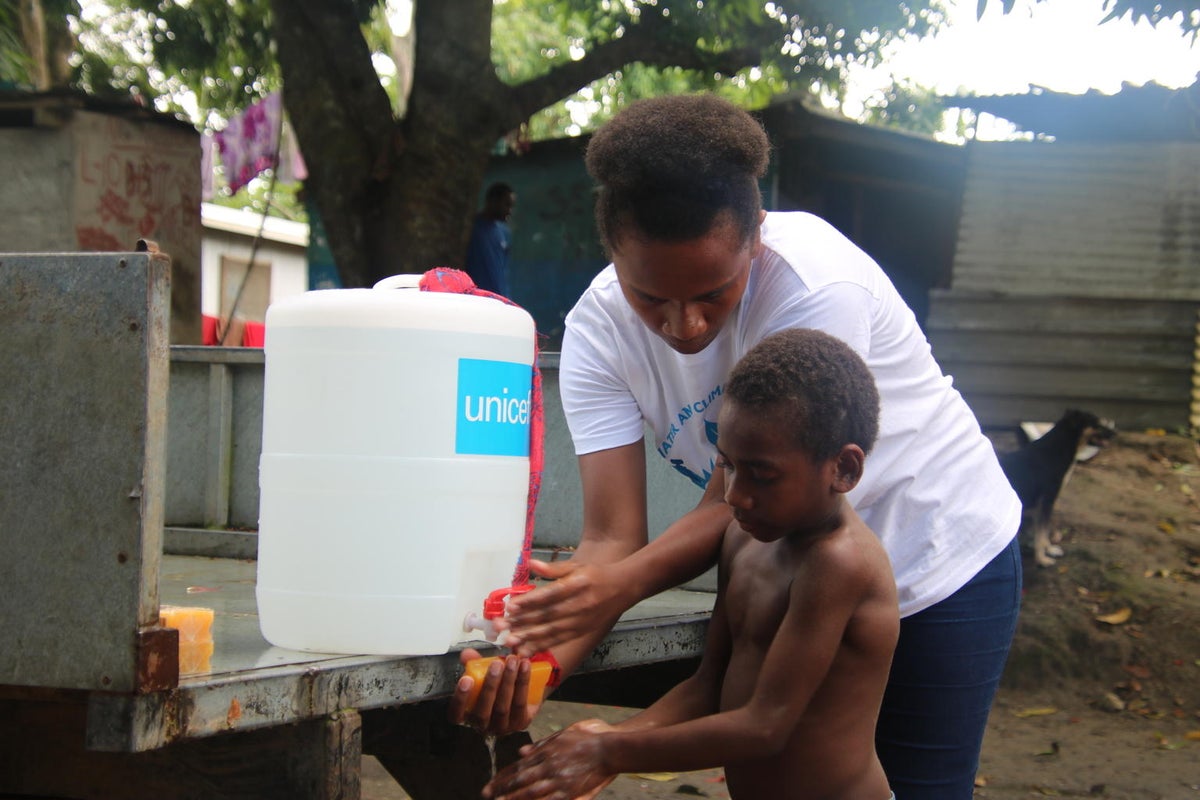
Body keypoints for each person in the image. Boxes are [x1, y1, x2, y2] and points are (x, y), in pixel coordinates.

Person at [451, 93, 1023, 799]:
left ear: (757, 237)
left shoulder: (815, 285)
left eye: (713, 294)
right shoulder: (598, 332)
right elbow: (610, 540)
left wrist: (618, 591)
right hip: (791, 562)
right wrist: (536, 665)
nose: (684, 325)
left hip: (935, 555)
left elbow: (733, 500)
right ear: (613, 258)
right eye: (649, 296)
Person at [483, 328, 899, 800]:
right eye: (729, 466)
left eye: (761, 474)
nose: (736, 495)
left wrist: (608, 753)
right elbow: (710, 685)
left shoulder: (837, 563)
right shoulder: (744, 537)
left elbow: (766, 727)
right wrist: (606, 740)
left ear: (843, 469)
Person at [464, 181, 516, 296]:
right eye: (506, 204)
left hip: (499, 298)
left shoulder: (503, 233)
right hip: (476, 298)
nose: (509, 211)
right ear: (493, 201)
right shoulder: (472, 228)